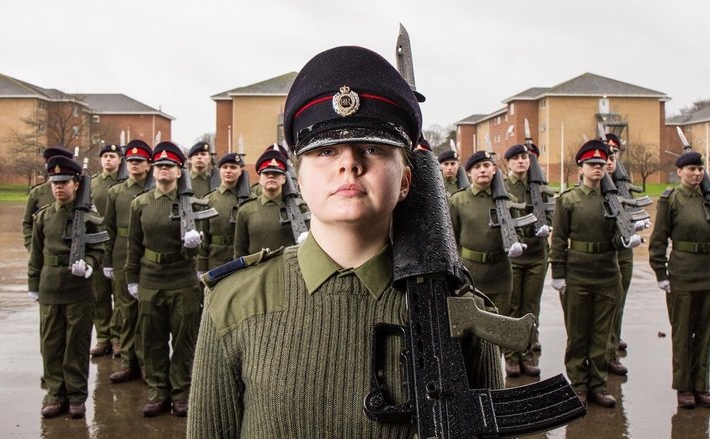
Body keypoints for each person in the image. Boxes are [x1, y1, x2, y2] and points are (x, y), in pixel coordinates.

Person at [187, 45, 502, 438]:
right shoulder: (235, 302)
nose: (349, 163)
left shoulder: (459, 309)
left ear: (406, 181)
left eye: (372, 148)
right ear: (299, 181)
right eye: (326, 150)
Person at [550, 140, 641, 408]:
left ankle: (598, 385)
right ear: (581, 168)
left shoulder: (613, 201)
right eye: (592, 165)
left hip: (607, 273)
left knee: (602, 335)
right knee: (578, 335)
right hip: (578, 274)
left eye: (601, 165)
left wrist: (626, 240)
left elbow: (616, 237)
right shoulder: (568, 200)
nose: (598, 169)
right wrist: (558, 272)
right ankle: (578, 385)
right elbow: (559, 240)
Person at [125, 141, 204, 417]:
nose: (163, 171)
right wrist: (131, 278)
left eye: (169, 166)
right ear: (153, 170)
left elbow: (198, 250)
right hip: (150, 279)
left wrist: (193, 246)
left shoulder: (193, 204)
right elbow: (133, 244)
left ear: (179, 172)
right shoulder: (140, 204)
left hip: (182, 279)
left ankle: (181, 393)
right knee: (152, 340)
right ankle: (158, 392)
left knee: (184, 340)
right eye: (159, 166)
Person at [649, 151, 710, 409]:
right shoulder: (671, 200)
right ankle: (684, 388)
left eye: (700, 169)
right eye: (691, 169)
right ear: (680, 172)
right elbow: (658, 240)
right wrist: (661, 274)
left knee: (705, 335)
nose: (697, 173)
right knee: (683, 334)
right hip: (683, 273)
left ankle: (701, 386)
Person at [28, 155, 103, 419]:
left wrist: (91, 264)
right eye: (55, 182)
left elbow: (99, 248)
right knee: (50, 344)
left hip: (79, 290)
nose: (59, 187)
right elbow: (36, 254)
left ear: (76, 184)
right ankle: (54, 393)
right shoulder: (43, 218)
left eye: (65, 182)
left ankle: (76, 396)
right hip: (50, 287)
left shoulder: (90, 217)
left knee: (77, 344)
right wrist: (33, 284)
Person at [449, 151, 525, 325]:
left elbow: (518, 232)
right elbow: (451, 240)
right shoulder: (458, 201)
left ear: (494, 169)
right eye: (476, 167)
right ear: (468, 172)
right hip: (470, 276)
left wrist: (517, 243)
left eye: (486, 166)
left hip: (500, 275)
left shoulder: (507, 201)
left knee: (499, 329)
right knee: (471, 332)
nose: (482, 170)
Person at [103, 140, 152, 383]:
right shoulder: (116, 192)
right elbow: (109, 228)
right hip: (122, 254)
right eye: (131, 161)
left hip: (148, 254)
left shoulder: (156, 188)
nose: (134, 165)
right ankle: (127, 362)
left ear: (148, 164)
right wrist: (107, 260)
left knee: (146, 312)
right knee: (125, 311)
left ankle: (144, 363)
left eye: (139, 161)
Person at [502, 143, 551, 377]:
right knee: (512, 309)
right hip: (513, 258)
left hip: (536, 255)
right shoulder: (501, 187)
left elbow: (551, 212)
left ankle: (528, 354)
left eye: (524, 157)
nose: (521, 161)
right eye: (516, 158)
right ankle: (511, 356)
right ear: (508, 163)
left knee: (531, 309)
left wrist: (548, 224)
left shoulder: (539, 186)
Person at [233, 147, 308, 258]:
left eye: (276, 173)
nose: (271, 176)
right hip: (257, 272)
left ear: (284, 178)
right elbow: (240, 251)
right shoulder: (246, 210)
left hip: (288, 270)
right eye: (266, 173)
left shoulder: (298, 208)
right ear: (260, 179)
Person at [89, 143, 122, 357]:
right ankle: (103, 337)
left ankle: (118, 337)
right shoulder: (91, 184)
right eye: (105, 156)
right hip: (97, 244)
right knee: (99, 294)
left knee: (120, 295)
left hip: (118, 244)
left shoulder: (124, 183)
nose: (108, 160)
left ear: (120, 160)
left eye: (113, 156)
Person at [603, 135, 630, 376]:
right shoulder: (597, 185)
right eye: (606, 157)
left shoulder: (623, 182)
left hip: (624, 251)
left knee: (618, 303)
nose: (609, 162)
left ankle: (613, 344)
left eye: (613, 157)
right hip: (603, 256)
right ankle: (605, 352)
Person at [198, 152, 245, 270]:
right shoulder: (208, 200)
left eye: (233, 167)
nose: (228, 171)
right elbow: (203, 237)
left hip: (243, 259)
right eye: (225, 167)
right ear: (219, 171)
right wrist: (202, 266)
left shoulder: (250, 199)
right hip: (216, 259)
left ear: (240, 171)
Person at [22, 146, 74, 250]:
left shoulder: (78, 190)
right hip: (45, 252)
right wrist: (32, 247)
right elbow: (27, 223)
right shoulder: (37, 192)